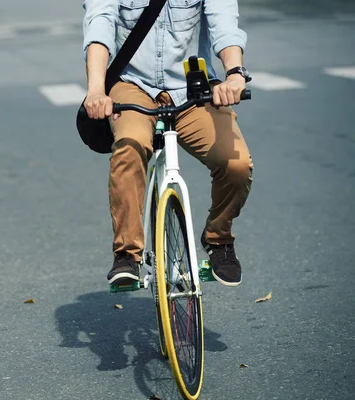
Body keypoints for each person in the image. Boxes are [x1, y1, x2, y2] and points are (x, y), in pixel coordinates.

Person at [82, 0, 253, 287]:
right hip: (133, 86)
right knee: (131, 144)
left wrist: (234, 73)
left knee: (236, 163)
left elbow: (224, 22)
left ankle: (218, 238)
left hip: (192, 86)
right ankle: (127, 254)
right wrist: (97, 90)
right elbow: (100, 24)